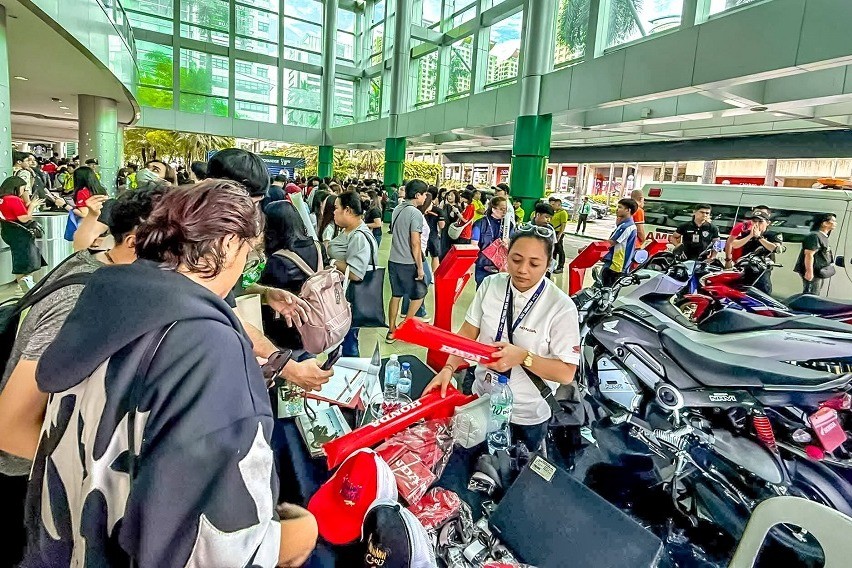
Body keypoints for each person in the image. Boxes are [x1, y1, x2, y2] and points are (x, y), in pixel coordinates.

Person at [20, 181, 318, 568]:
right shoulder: (207, 347)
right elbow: (216, 548)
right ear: (228, 244)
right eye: (248, 253)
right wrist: (296, 537)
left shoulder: (102, 302)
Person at [0, 188, 165, 565]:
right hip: (23, 480)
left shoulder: (97, 264)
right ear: (134, 243)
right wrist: (99, 479)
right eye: (174, 246)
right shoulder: (82, 297)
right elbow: (9, 427)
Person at [423, 224, 580, 451]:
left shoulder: (560, 307)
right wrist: (448, 368)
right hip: (481, 399)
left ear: (548, 264)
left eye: (534, 264)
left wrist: (523, 357)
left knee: (515, 468)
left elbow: (566, 373)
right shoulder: (491, 285)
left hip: (525, 415)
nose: (523, 270)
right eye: (516, 260)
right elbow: (468, 333)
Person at [260, 200, 322, 356]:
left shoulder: (278, 259)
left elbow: (262, 293)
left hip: (286, 331)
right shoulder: (316, 246)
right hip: (313, 324)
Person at [329, 192, 379, 357]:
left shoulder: (359, 237)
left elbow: (356, 274)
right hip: (345, 299)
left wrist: (332, 262)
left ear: (348, 210)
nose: (333, 212)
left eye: (336, 208)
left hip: (350, 299)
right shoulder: (350, 231)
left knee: (348, 344)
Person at [386, 179, 427, 343]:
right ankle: (404, 326)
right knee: (419, 293)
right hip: (408, 262)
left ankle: (391, 330)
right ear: (417, 195)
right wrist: (420, 267)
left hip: (393, 260)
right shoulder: (415, 213)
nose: (425, 198)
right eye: (424, 194)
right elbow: (415, 242)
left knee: (396, 295)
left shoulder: (398, 208)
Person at [0, 177, 45, 290]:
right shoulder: (13, 199)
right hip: (20, 233)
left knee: (19, 259)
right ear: (16, 186)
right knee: (28, 259)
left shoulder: (2, 199)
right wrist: (33, 206)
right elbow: (24, 218)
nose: (24, 191)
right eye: (23, 188)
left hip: (8, 231)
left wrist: (28, 203)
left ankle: (22, 285)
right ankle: (26, 283)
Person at [730, 211, 782, 294]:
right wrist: (750, 236)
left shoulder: (773, 235)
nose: (756, 224)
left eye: (760, 221)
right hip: (745, 268)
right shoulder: (746, 233)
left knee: (761, 292)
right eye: (754, 221)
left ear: (768, 223)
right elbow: (734, 244)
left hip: (762, 270)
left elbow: (775, 248)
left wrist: (759, 237)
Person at [795, 213, 837, 295]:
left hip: (819, 271)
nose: (835, 223)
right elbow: (809, 254)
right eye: (833, 221)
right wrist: (809, 272)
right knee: (811, 294)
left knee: (816, 292)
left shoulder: (823, 236)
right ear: (824, 223)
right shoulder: (815, 236)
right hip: (814, 271)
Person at [472, 196, 509, 287]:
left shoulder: (508, 225)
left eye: (506, 209)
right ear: (493, 209)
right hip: (483, 265)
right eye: (502, 209)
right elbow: (474, 244)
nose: (504, 212)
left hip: (501, 266)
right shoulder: (480, 223)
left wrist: (508, 243)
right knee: (482, 289)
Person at [600, 199, 639, 288]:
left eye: (620, 207)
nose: (617, 209)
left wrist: (590, 248)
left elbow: (611, 243)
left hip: (616, 265)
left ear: (628, 210)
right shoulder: (626, 225)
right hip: (617, 263)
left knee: (603, 287)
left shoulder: (626, 226)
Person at [423, 190, 446, 272]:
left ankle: (422, 272)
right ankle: (434, 274)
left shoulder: (418, 209)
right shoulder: (438, 210)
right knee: (435, 256)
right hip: (433, 235)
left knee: (420, 255)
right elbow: (442, 226)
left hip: (420, 235)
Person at [548, 197, 568, 274]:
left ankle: (561, 266)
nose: (553, 206)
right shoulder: (555, 212)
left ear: (559, 204)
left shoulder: (563, 213)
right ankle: (553, 265)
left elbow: (563, 224)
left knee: (560, 250)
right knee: (554, 250)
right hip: (553, 232)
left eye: (554, 204)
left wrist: (560, 234)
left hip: (558, 232)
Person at [440, 189, 461, 259]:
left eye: (452, 195)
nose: (449, 197)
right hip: (446, 230)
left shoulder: (457, 208)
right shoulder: (446, 206)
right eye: (449, 195)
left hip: (452, 231)